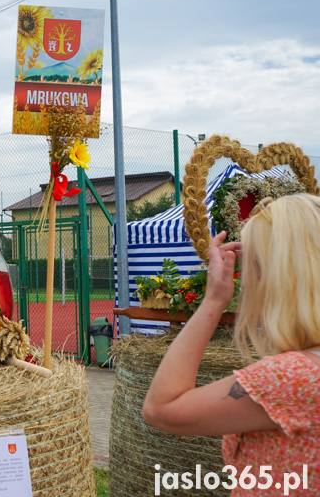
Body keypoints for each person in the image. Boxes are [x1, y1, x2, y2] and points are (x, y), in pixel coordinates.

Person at [142, 194, 320, 494]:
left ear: (277, 276)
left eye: (253, 266)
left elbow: (161, 408)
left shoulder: (295, 376)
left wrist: (213, 300)